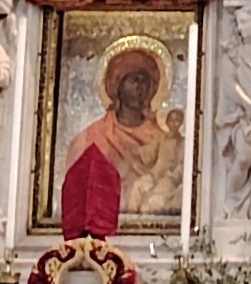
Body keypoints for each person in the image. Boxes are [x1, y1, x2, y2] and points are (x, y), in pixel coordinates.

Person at [58, 38, 186, 230]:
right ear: (117, 85)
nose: (141, 88)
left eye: (146, 81)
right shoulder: (91, 138)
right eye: (134, 80)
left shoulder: (164, 139)